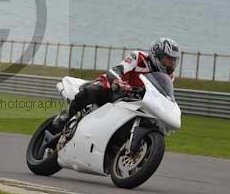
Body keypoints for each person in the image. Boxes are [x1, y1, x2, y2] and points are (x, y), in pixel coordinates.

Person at [51, 37, 180, 131]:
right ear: (156, 55)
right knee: (94, 90)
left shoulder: (169, 77)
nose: (171, 64)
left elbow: (163, 95)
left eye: (173, 61)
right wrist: (118, 82)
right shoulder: (138, 57)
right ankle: (65, 116)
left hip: (134, 102)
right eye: (168, 59)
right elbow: (117, 70)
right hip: (114, 89)